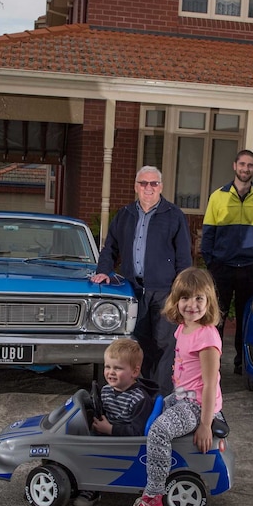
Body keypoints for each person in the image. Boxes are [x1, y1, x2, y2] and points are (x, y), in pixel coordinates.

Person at [120, 267, 223, 506]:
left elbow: (210, 385)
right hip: (180, 397)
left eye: (199, 298)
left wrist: (205, 424)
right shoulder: (183, 327)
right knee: (145, 408)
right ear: (176, 301)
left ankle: (154, 498)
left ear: (209, 301)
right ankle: (141, 469)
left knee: (158, 431)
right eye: (186, 298)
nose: (192, 304)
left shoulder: (207, 337)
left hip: (197, 405)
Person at [92, 166, 192, 396]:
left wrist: (182, 293)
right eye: (144, 183)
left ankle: (162, 397)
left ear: (161, 187)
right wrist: (104, 270)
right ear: (136, 186)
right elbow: (110, 248)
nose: (149, 188)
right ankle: (143, 394)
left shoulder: (174, 215)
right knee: (139, 344)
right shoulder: (125, 214)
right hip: (133, 290)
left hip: (165, 291)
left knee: (165, 345)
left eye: (154, 183)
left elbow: (184, 257)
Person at [201, 149, 253, 374]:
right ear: (235, 166)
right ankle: (214, 366)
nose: (245, 169)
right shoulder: (218, 196)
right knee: (217, 317)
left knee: (247, 319)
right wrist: (212, 263)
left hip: (250, 268)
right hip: (223, 267)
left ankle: (243, 364)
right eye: (242, 164)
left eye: (250, 165)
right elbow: (208, 234)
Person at [74, 338, 160, 506]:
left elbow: (137, 432)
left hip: (125, 443)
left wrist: (109, 429)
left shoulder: (139, 399)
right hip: (107, 434)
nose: (110, 373)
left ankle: (92, 488)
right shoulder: (106, 390)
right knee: (76, 440)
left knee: (89, 450)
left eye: (118, 368)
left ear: (134, 372)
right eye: (107, 367)